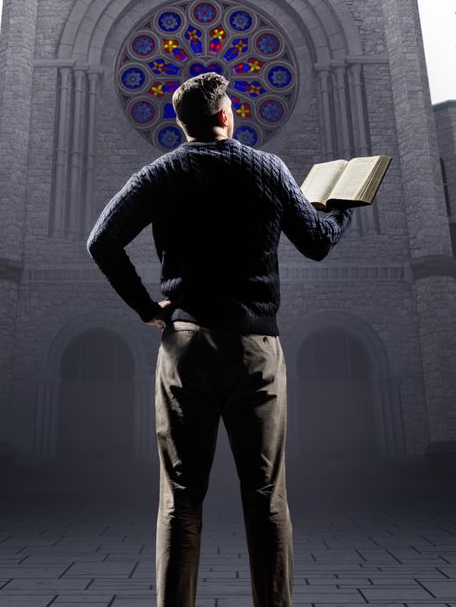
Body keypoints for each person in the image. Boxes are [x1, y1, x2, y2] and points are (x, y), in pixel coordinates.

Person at [86, 71, 354, 607]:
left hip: (185, 347)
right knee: (266, 499)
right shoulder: (268, 168)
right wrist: (343, 204)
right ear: (227, 115)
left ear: (181, 124)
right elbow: (318, 243)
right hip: (256, 348)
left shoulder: (159, 173)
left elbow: (102, 242)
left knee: (181, 500)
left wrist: (146, 307)